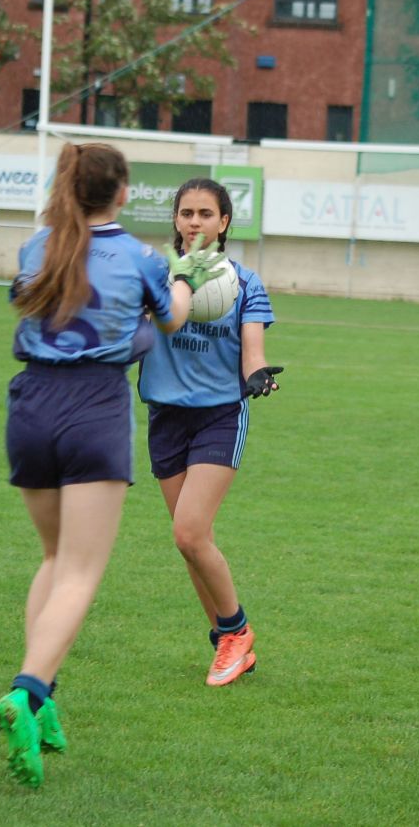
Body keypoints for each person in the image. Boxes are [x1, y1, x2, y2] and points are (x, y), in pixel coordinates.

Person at [0, 143, 223, 788]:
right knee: (81, 573)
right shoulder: (141, 257)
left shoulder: (37, 247)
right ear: (123, 194)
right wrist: (186, 276)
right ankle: (27, 691)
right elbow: (173, 319)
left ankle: (44, 701)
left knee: (53, 559)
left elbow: (37, 303)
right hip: (93, 406)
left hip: (30, 405)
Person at [137, 177, 283, 687]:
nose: (195, 221)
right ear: (175, 221)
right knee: (192, 542)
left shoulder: (245, 282)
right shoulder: (155, 276)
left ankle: (236, 633)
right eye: (186, 213)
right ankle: (227, 641)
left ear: (224, 223)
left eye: (206, 213)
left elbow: (253, 349)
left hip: (220, 414)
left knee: (189, 530)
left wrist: (258, 375)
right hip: (165, 416)